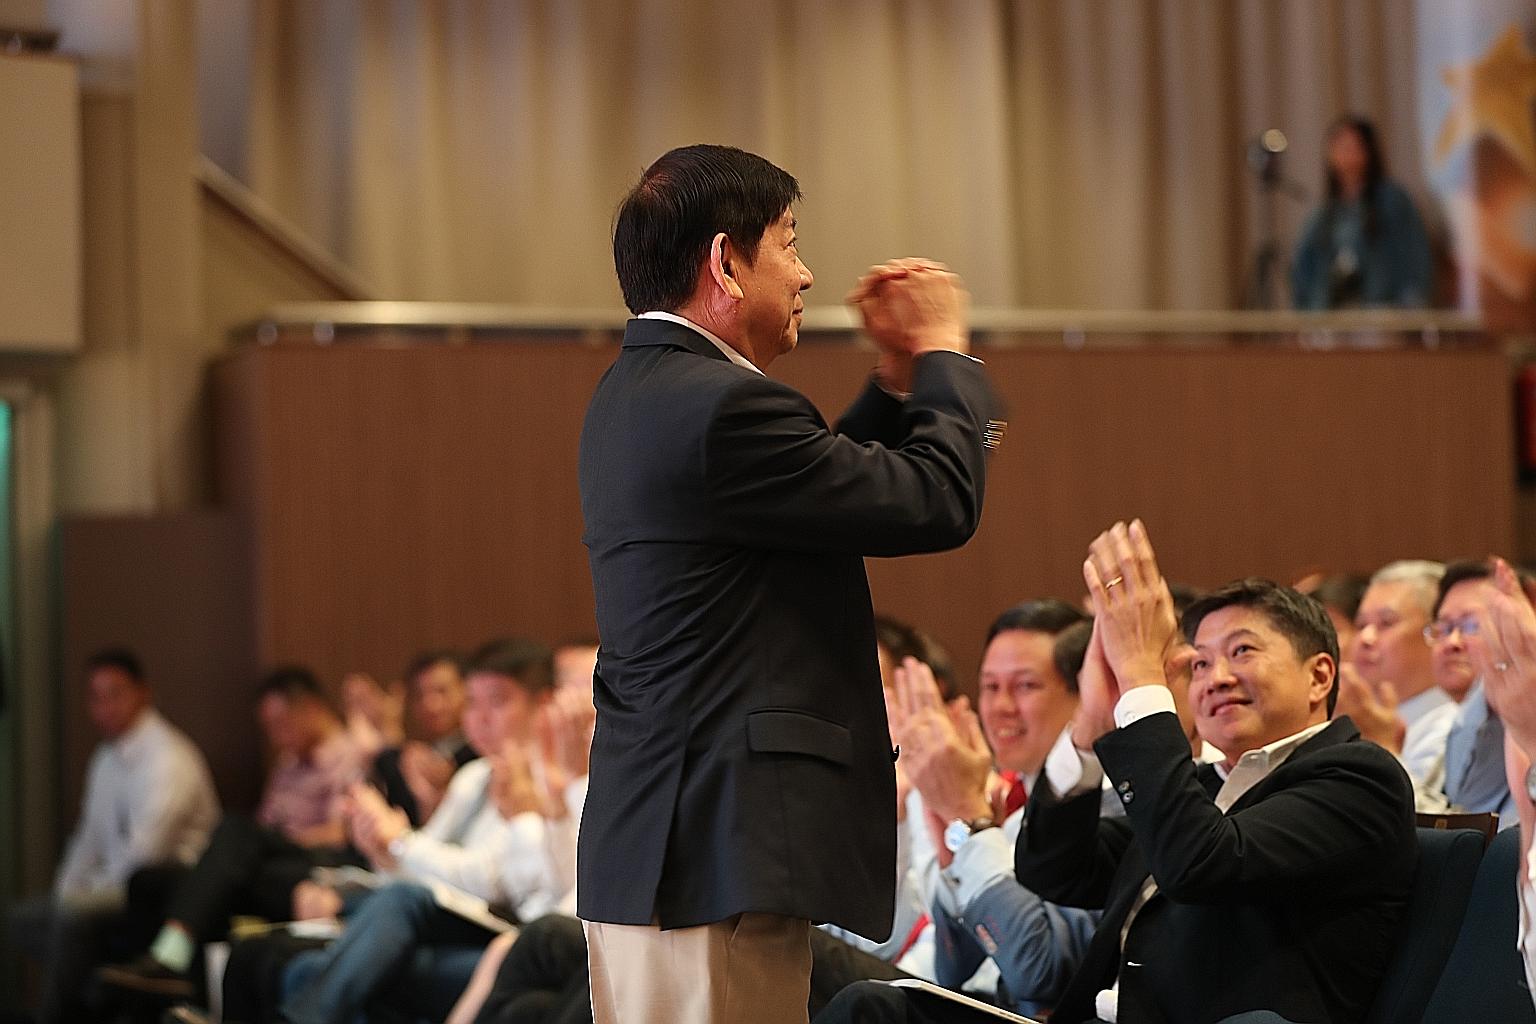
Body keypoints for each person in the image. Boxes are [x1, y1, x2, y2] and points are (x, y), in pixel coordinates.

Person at [577, 143, 999, 1024]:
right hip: (713, 854)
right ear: (725, 261)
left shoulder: (640, 392)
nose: (806, 274)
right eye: (790, 243)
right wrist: (949, 356)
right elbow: (935, 502)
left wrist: (894, 381)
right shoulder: (722, 406)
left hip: (664, 845)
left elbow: (808, 499)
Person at [1015, 521, 1415, 1024]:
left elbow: (1201, 864)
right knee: (887, 1003)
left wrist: (1141, 682)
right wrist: (1089, 729)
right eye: (1199, 664)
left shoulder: (1358, 778)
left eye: (1242, 651)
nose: (1215, 678)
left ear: (1319, 676)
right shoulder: (1207, 785)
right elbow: (1053, 870)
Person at [100, 666, 367, 998]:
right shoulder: (288, 764)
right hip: (272, 866)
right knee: (151, 881)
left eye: (281, 725)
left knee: (236, 830)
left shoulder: (351, 754)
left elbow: (344, 833)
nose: (275, 737)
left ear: (311, 708)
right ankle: (162, 986)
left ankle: (172, 954)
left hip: (321, 864)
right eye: (269, 728)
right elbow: (264, 824)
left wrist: (278, 841)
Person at [5, 649, 219, 1023]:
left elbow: (147, 854)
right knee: (26, 918)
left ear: (143, 692)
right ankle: (97, 996)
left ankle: (58, 1016)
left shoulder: (168, 758)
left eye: (115, 694)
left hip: (165, 891)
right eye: (95, 697)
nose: (104, 706)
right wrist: (67, 888)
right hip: (115, 884)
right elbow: (88, 839)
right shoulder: (106, 757)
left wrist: (81, 898)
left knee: (72, 918)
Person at [1290, 114, 1433, 309]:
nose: (1346, 153)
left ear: (1368, 150)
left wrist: (1412, 307)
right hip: (1330, 316)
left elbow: (1414, 256)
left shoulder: (1391, 201)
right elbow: (1303, 271)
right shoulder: (1323, 215)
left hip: (1383, 312)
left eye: (1353, 145)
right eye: (1339, 145)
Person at [1340, 560, 1457, 798]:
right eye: (1361, 624)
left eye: (1386, 623)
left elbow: (1442, 828)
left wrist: (1381, 746)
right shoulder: (1362, 716)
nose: (1366, 637)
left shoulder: (1455, 727)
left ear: (1435, 632)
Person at [372, 650, 475, 827]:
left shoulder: (477, 753)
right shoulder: (417, 754)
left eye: (441, 691)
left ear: (468, 690)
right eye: (420, 695)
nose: (431, 704)